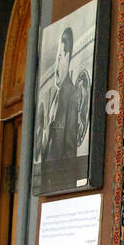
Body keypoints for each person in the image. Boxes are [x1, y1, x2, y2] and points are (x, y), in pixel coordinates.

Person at [42, 26, 82, 165]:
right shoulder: (56, 98)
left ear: (67, 57)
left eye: (59, 57)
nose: (55, 66)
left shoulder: (72, 96)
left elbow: (71, 153)